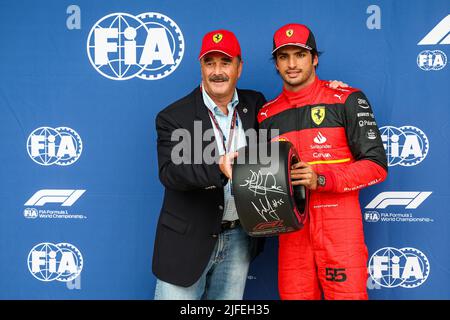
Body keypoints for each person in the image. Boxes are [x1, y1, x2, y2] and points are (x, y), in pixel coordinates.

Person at [257, 23, 388, 300]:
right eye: (284, 57)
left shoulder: (347, 99)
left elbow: (376, 166)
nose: (292, 64)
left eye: (300, 55)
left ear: (314, 58)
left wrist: (322, 178)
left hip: (339, 231)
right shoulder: (266, 115)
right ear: (276, 63)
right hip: (292, 236)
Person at [152, 29, 266, 300]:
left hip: (239, 237)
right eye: (209, 62)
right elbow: (171, 173)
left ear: (239, 67)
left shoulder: (256, 104)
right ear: (200, 66)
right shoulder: (173, 116)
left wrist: (321, 88)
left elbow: (289, 113)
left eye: (225, 62)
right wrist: (218, 168)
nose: (217, 71)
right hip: (186, 241)